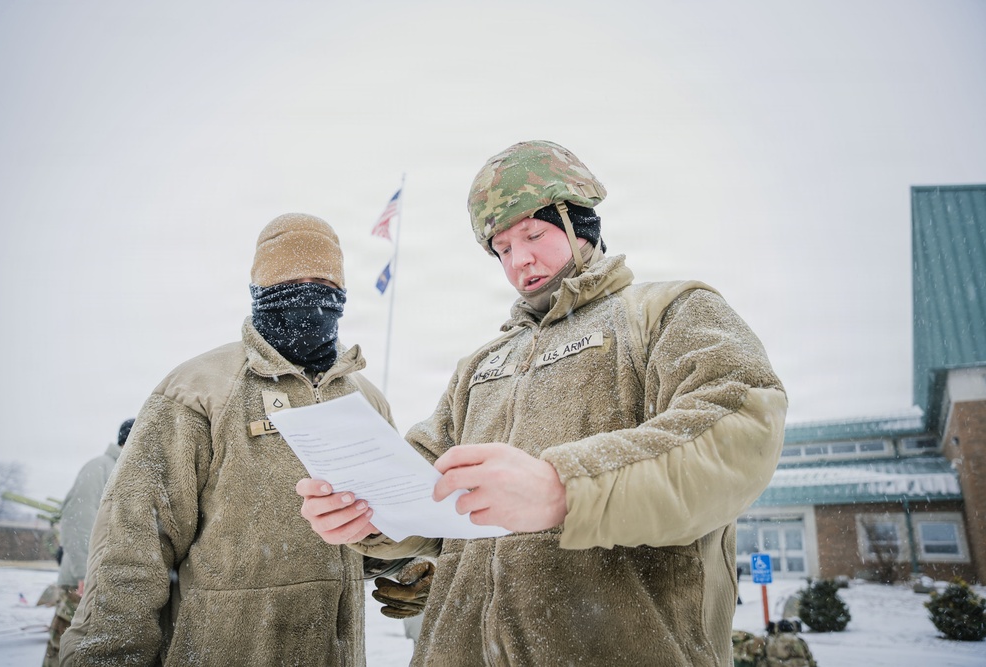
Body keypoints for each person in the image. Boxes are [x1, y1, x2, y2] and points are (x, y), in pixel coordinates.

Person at [297, 140, 788, 665]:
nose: (519, 259)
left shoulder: (668, 312)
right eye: (502, 248)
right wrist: (369, 515)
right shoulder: (481, 366)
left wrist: (565, 488)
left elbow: (737, 430)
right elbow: (427, 484)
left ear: (581, 224)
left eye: (533, 234)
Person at [61, 213, 395, 666]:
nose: (310, 294)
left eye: (323, 280)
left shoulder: (365, 401)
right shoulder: (196, 391)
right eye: (290, 280)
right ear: (260, 290)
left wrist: (401, 563)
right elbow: (131, 549)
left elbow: (379, 523)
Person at [42, 418, 133, 667]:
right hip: (82, 581)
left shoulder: (124, 470)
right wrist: (85, 573)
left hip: (100, 577)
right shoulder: (100, 467)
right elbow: (77, 521)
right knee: (65, 647)